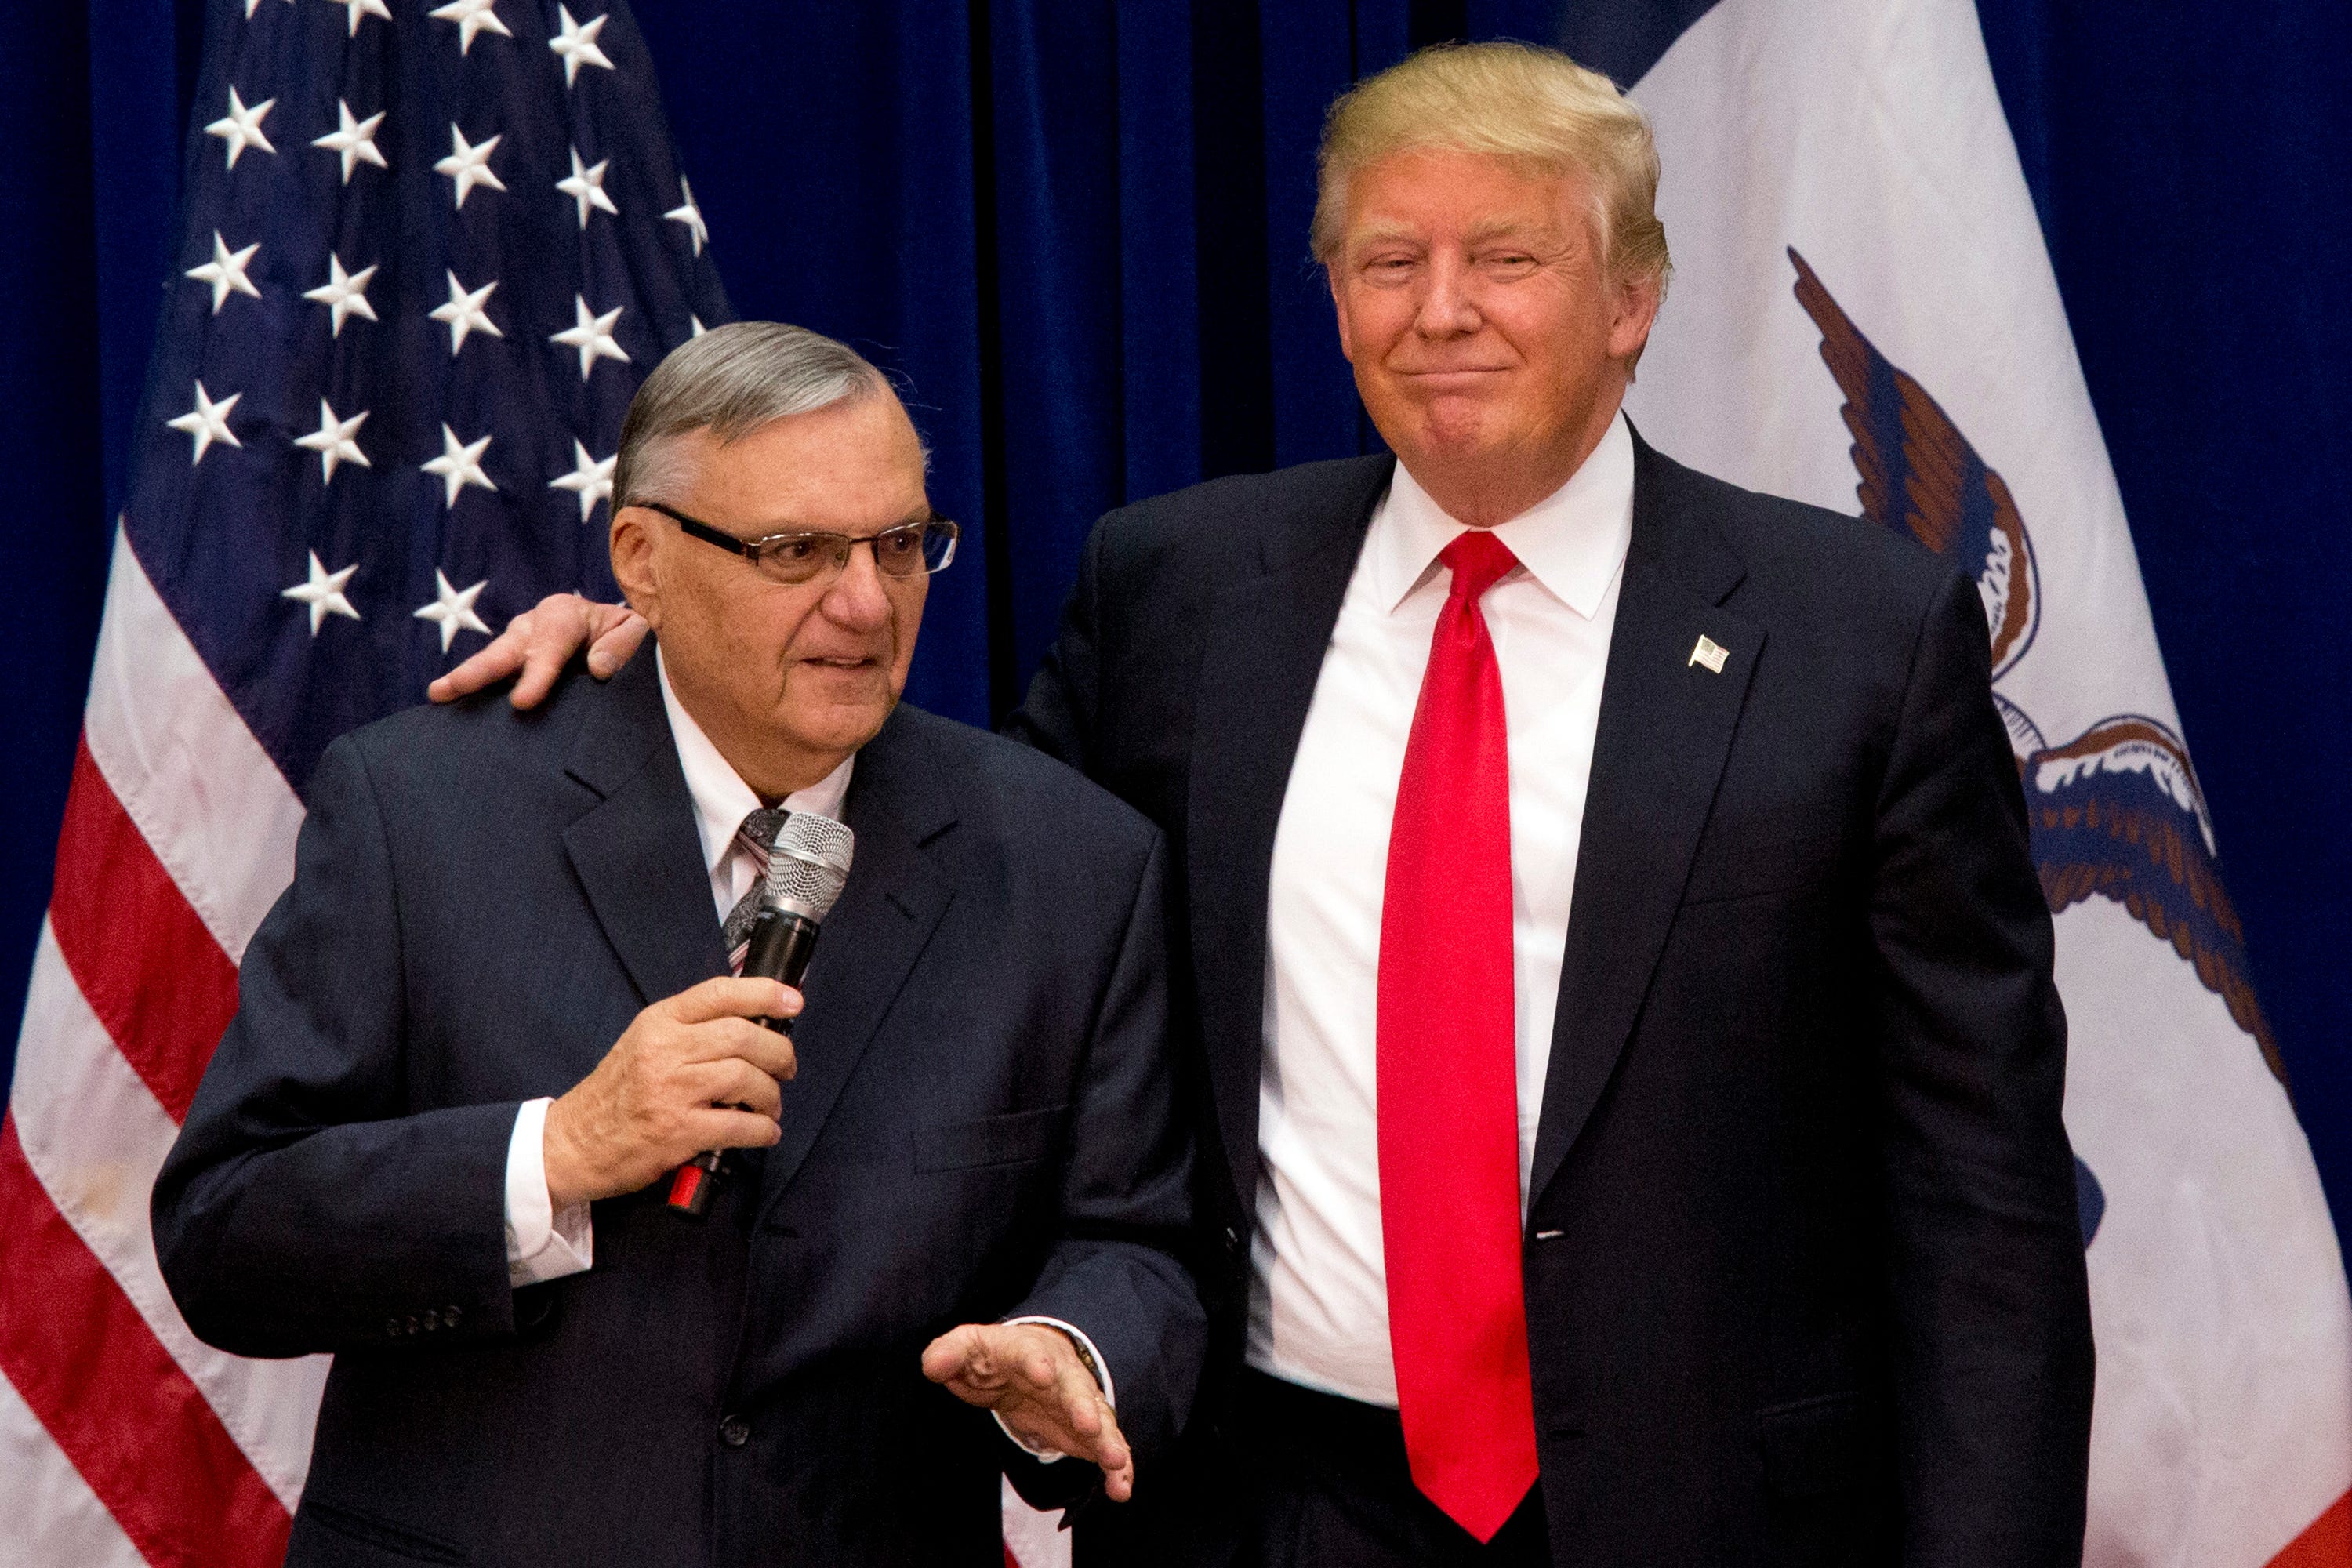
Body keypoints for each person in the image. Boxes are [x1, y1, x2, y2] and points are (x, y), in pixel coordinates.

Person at [436, 42, 2094, 1568]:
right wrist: (670, 662)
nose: (1439, 311)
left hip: (1717, 1515)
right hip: (1257, 1508)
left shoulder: (1858, 638)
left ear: (1632, 296)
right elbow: (952, 879)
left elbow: (1984, 1205)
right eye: (1389, 261)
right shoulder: (1177, 592)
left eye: (1505, 257)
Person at [153, 322, 1204, 1567]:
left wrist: (1070, 1348)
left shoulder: (1072, 865)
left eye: (902, 543)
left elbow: (1142, 1244)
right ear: (642, 560)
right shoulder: (419, 812)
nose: (866, 602)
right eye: (794, 550)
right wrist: (556, 1150)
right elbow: (226, 1235)